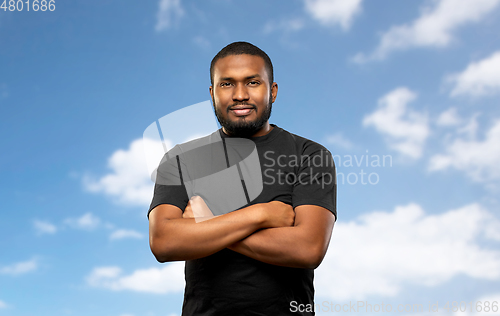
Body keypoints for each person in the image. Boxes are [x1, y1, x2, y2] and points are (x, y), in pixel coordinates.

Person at [148, 41, 336, 315]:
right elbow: (164, 243)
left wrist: (208, 225)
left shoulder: (310, 155)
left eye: (252, 82)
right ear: (212, 93)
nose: (240, 95)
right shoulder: (181, 159)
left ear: (272, 91)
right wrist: (259, 215)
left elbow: (308, 248)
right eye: (227, 84)